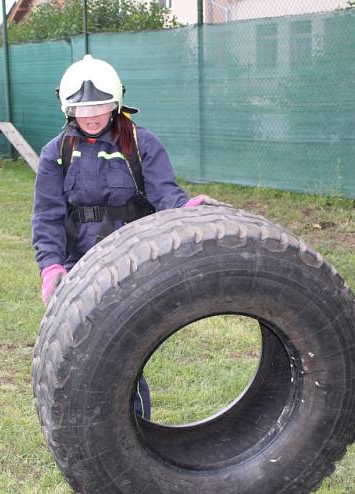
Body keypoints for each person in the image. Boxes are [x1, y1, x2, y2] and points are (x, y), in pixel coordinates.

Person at [31, 55, 224, 418]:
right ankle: (87, 428)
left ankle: (133, 427)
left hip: (133, 262)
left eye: (100, 105)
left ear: (116, 102)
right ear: (67, 107)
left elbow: (166, 194)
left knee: (121, 351)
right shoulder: (55, 154)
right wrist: (51, 266)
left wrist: (188, 209)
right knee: (79, 350)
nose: (91, 115)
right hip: (81, 264)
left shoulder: (140, 143)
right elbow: (48, 215)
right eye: (80, 107)